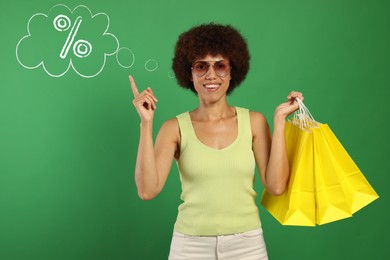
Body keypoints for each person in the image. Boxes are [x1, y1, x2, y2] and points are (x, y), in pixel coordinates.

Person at [130, 23, 303, 260]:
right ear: (189, 74)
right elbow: (147, 190)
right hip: (189, 247)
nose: (211, 75)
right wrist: (146, 124)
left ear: (233, 71)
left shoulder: (254, 122)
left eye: (220, 66)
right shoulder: (174, 128)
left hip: (247, 246)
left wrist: (280, 122)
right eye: (201, 66)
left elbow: (275, 186)